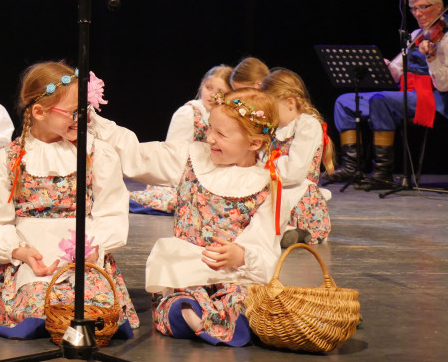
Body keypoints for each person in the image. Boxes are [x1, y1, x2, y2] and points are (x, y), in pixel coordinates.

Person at [92, 88, 293, 346]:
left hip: (234, 275)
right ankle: (196, 317)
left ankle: (226, 321)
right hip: (187, 271)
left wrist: (242, 255)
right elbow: (137, 157)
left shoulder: (267, 187)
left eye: (221, 134)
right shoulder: (191, 157)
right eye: (210, 128)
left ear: (254, 143)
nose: (209, 138)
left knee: (242, 298)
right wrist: (93, 122)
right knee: (183, 299)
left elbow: (266, 248)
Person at [0, 61, 140, 340]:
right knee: (42, 308)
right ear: (39, 112)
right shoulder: (5, 162)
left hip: (84, 259)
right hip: (33, 260)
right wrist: (20, 252)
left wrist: (95, 249)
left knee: (91, 310)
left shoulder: (97, 154)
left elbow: (112, 214)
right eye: (73, 112)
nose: (81, 118)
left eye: (85, 110)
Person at [330, 0, 448, 190]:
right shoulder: (417, 34)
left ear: (439, 8)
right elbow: (397, 71)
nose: (417, 14)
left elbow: (445, 84)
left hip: (434, 98)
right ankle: (351, 167)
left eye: (423, 8)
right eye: (413, 9)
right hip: (407, 94)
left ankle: (383, 172)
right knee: (345, 102)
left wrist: (432, 57)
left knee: (381, 100)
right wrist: (385, 67)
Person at [128, 64, 232, 215]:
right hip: (183, 177)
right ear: (202, 86)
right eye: (209, 88)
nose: (212, 94)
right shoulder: (188, 113)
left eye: (220, 91)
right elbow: (172, 154)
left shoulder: (224, 117)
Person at [260, 68, 334, 247]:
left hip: (298, 192)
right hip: (276, 187)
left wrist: (262, 168)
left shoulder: (307, 125)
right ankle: (287, 232)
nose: (268, 113)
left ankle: (299, 231)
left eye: (271, 108)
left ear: (290, 103)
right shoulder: (274, 129)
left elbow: (295, 171)